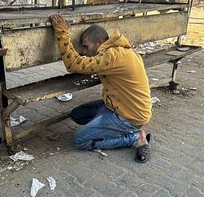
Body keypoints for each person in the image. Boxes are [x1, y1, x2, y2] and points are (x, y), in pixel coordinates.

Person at [50, 14, 152, 163]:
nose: (84, 52)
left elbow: (73, 64)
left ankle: (134, 138)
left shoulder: (112, 56)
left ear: (99, 42)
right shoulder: (120, 51)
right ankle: (107, 128)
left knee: (80, 140)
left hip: (129, 117)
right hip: (118, 107)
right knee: (78, 115)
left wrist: (61, 31)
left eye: (86, 47)